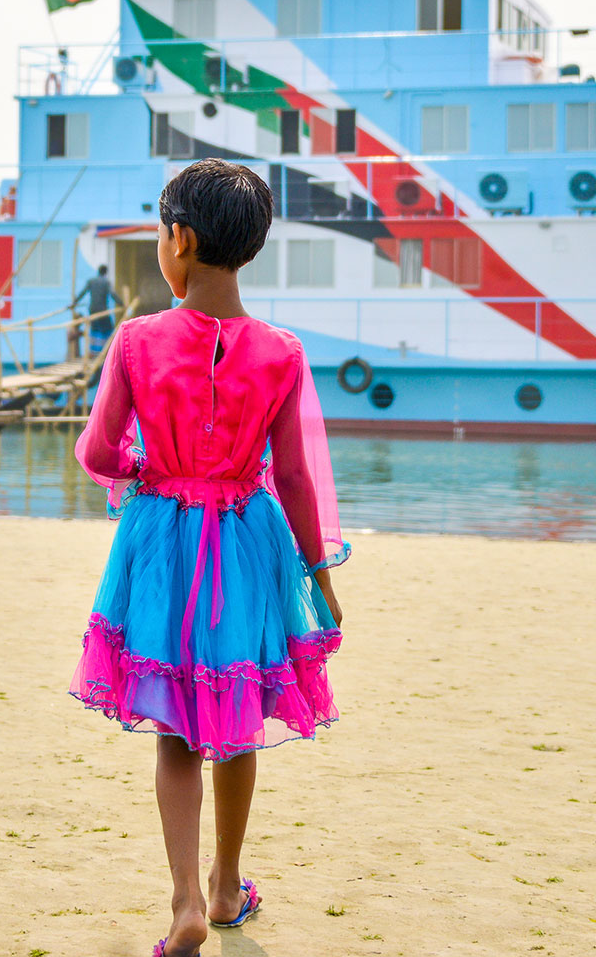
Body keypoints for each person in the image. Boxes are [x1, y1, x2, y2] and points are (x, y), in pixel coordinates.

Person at [69, 159, 348, 957]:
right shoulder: (282, 352)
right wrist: (319, 579)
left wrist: (150, 470)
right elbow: (294, 477)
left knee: (176, 727)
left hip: (161, 543)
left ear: (180, 241)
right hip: (248, 542)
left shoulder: (138, 341)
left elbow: (99, 449)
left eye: (162, 231)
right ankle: (229, 884)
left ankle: (186, 897)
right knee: (239, 714)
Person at [72, 263, 116, 346]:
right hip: (103, 311)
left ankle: (93, 351)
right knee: (108, 329)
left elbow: (82, 293)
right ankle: (108, 350)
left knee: (94, 330)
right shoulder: (106, 282)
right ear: (105, 273)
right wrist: (122, 304)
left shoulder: (91, 281)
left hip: (92, 310)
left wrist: (74, 303)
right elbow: (113, 294)